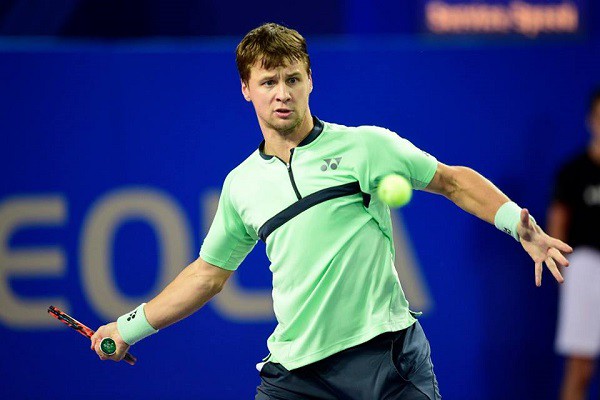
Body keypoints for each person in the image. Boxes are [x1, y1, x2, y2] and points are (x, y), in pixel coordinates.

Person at [91, 23, 572, 399]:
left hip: (387, 360)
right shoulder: (241, 186)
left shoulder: (366, 146)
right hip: (297, 375)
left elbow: (451, 180)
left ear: (310, 81)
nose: (283, 93)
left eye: (293, 79)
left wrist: (515, 223)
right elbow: (207, 275)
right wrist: (128, 328)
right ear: (246, 89)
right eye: (268, 82)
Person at [550, 88, 600, 400]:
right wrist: (563, 272)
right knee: (581, 368)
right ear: (590, 120)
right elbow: (557, 224)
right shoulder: (573, 172)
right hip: (584, 269)